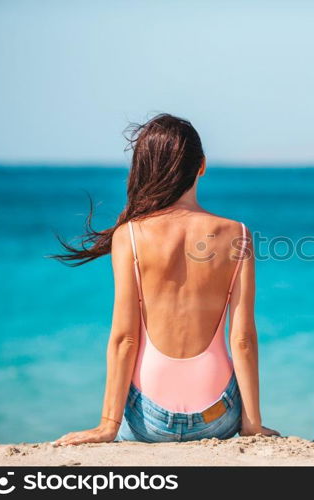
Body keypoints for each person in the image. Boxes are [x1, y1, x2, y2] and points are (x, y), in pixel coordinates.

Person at [52, 113, 279, 444]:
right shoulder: (237, 234)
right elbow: (242, 339)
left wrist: (107, 427)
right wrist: (252, 424)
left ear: (146, 168)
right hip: (217, 414)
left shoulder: (129, 236)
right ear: (201, 165)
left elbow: (124, 339)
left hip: (150, 417)